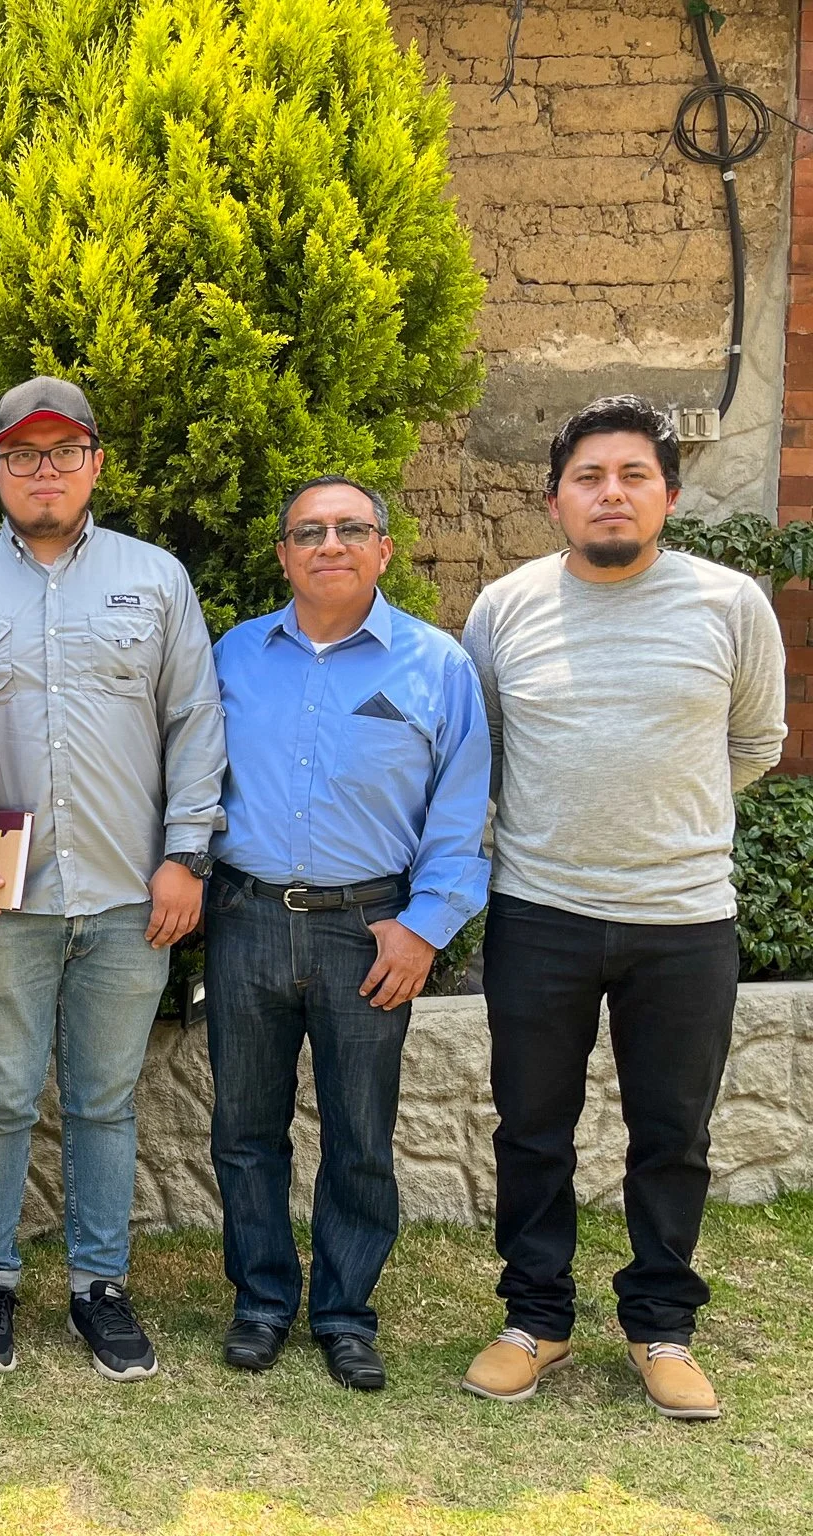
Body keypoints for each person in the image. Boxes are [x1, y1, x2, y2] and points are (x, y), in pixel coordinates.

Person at [459, 396, 785, 1421]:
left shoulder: (729, 605)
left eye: (631, 476)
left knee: (670, 1132)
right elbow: (485, 754)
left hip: (683, 920)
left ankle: (659, 1326)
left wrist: (660, 823)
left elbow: (755, 744)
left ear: (667, 496)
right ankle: (534, 1319)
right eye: (588, 478)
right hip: (538, 913)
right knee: (530, 1128)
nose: (609, 493)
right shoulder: (501, 607)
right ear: (553, 499)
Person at [0, 376, 226, 1382]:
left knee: (103, 1100)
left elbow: (193, 723)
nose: (44, 472)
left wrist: (185, 857)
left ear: (94, 465)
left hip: (132, 895)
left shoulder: (155, 580)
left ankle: (99, 1287)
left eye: (63, 453)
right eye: (23, 456)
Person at [204, 476, 490, 1391]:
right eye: (309, 532)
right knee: (245, 1129)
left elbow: (460, 813)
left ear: (383, 550)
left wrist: (425, 929)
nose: (330, 544)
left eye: (350, 529)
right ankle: (260, 1302)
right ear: (284, 554)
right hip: (246, 917)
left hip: (371, 931)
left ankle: (343, 1312)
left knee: (359, 1134)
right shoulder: (234, 655)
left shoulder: (436, 666)